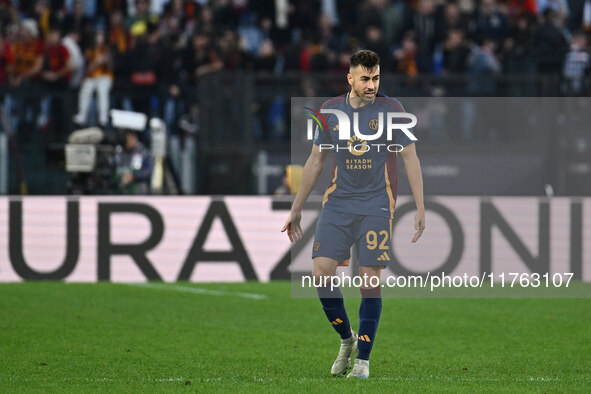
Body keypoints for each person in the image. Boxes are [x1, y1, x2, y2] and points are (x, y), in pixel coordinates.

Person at [281, 49, 425, 379]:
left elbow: (411, 158)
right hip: (338, 202)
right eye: (365, 78)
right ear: (350, 78)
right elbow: (316, 160)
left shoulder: (393, 110)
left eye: (376, 78)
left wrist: (420, 206)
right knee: (321, 273)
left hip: (376, 203)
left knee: (369, 282)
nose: (372, 84)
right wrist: (297, 208)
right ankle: (347, 339)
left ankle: (363, 359)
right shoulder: (330, 110)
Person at [112, 128, 153, 194]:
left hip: (138, 186)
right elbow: (112, 169)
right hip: (120, 186)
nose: (128, 141)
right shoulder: (119, 151)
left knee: (142, 186)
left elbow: (148, 171)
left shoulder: (143, 152)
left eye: (130, 138)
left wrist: (134, 176)